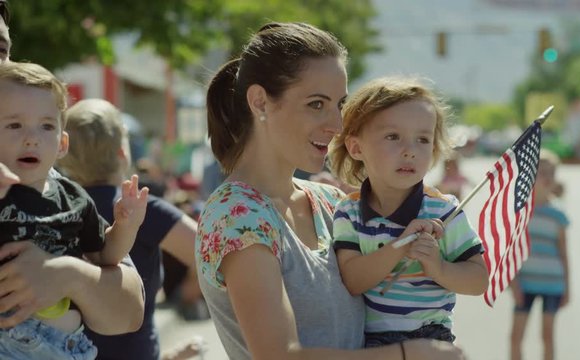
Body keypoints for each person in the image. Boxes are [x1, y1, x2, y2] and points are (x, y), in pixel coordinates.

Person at [196, 21, 466, 360]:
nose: (336, 125)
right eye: (316, 104)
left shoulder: (330, 200)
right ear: (260, 102)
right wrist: (406, 354)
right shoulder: (235, 215)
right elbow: (279, 356)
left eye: (339, 104)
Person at [0, 0, 144, 348]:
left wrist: (66, 274)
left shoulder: (60, 190)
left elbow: (129, 310)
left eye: (1, 50)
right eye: (16, 125)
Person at [327, 77, 488, 347]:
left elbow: (478, 281)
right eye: (393, 136)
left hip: (430, 337)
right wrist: (401, 245)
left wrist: (438, 267)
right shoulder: (349, 213)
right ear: (356, 147)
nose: (410, 151)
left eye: (422, 139)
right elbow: (353, 281)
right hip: (370, 344)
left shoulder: (444, 210)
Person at [56, 98, 203, 360]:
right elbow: (210, 256)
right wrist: (189, 289)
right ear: (122, 153)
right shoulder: (142, 208)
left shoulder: (56, 208)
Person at [509, 149, 570, 360]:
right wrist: (513, 283)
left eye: (551, 173)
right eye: (541, 172)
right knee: (516, 336)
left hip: (553, 283)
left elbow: (563, 253)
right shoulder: (521, 211)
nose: (546, 177)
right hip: (525, 283)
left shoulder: (558, 214)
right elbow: (511, 251)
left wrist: (567, 287)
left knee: (547, 336)